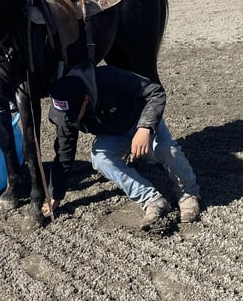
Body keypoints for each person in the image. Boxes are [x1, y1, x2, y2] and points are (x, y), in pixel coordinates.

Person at [46, 63, 200, 230]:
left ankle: (188, 192)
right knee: (99, 158)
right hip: (114, 133)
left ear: (85, 99)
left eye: (72, 116)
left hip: (140, 122)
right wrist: (56, 193)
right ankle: (151, 199)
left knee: (165, 148)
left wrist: (145, 128)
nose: (68, 122)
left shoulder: (108, 77)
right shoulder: (67, 111)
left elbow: (155, 92)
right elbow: (64, 150)